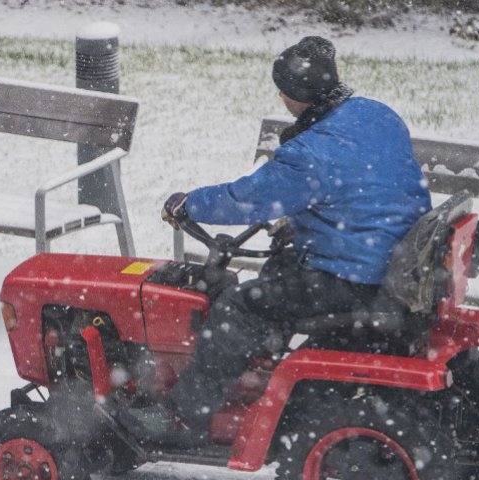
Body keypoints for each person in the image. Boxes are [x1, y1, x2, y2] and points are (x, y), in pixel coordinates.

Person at [129, 35, 431, 447]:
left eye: (282, 90)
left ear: (291, 96)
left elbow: (247, 200)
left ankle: (183, 415)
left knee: (238, 306)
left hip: (356, 277)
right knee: (280, 264)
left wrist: (189, 205)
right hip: (390, 255)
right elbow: (370, 186)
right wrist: (310, 222)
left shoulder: (311, 153)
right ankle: (258, 364)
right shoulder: (376, 115)